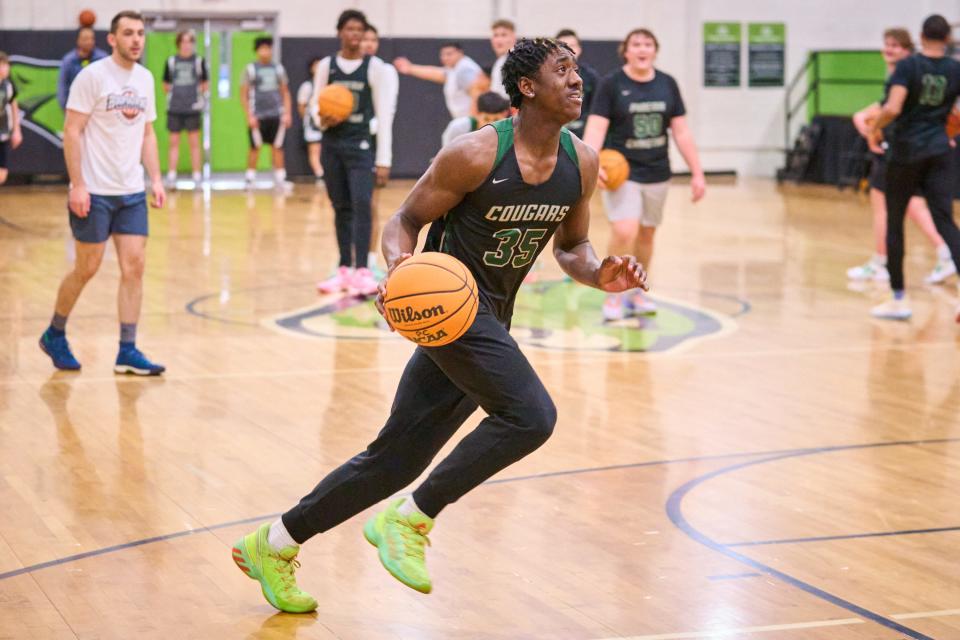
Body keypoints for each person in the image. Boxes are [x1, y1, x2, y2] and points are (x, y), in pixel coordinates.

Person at [232, 37, 647, 612]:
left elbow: (572, 245)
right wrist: (400, 268)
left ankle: (271, 544)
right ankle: (412, 520)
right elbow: (404, 219)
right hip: (450, 311)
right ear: (527, 88)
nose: (577, 80)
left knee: (394, 459)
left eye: (577, 70)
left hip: (485, 318)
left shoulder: (581, 161)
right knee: (532, 416)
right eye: (563, 70)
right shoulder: (474, 153)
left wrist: (602, 274)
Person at [38, 11, 167, 375]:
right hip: (94, 191)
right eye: (128, 33)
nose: (136, 40)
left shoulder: (145, 79)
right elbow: (73, 131)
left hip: (130, 192)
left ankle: (128, 349)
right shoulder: (91, 77)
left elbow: (147, 133)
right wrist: (78, 184)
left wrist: (155, 179)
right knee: (87, 268)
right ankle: (55, 333)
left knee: (135, 266)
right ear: (111, 39)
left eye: (140, 33)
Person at [584, 27, 705, 319]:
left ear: (655, 50)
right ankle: (612, 291)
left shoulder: (667, 84)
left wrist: (697, 172)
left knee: (647, 235)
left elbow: (682, 131)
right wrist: (592, 163)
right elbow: (596, 127)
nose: (641, 48)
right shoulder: (611, 84)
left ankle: (637, 289)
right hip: (623, 172)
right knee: (624, 230)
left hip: (658, 170)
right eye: (635, 44)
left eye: (647, 44)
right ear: (626, 51)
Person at [868, 14, 960, 322]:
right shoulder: (955, 69)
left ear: (921, 36)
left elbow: (893, 107)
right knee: (945, 220)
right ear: (947, 39)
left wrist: (874, 129)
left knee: (895, 221)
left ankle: (898, 299)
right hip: (939, 151)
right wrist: (946, 136)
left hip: (907, 152)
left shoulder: (910, 66)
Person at [849, 28, 954, 285]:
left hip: (903, 147)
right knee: (914, 205)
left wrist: (873, 126)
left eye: (896, 45)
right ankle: (944, 252)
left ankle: (884, 265)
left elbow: (893, 107)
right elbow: (887, 103)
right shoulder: (909, 71)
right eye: (887, 44)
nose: (889, 49)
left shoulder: (908, 71)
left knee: (885, 204)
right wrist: (863, 114)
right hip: (919, 148)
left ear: (909, 49)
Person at [311, 9, 396, 297]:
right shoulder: (327, 65)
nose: (355, 34)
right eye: (350, 29)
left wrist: (384, 160)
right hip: (332, 144)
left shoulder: (374, 68)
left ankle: (362, 269)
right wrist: (319, 118)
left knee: (362, 204)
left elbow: (384, 115)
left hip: (361, 146)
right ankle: (344, 268)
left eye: (360, 30)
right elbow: (314, 104)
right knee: (340, 207)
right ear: (340, 32)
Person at [360, 23, 400, 272]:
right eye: (365, 39)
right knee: (347, 206)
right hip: (348, 142)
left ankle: (368, 259)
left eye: (373, 40)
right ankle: (349, 261)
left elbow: (388, 110)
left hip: (373, 141)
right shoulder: (343, 69)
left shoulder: (385, 71)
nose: (368, 44)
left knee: (369, 204)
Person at [241, 36, 292, 191]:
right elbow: (243, 94)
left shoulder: (278, 69)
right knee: (255, 146)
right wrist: (249, 115)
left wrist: (287, 113)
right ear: (257, 51)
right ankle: (250, 179)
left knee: (277, 147)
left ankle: (280, 179)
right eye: (262, 48)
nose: (265, 51)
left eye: (268, 48)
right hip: (258, 115)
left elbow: (285, 92)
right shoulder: (250, 69)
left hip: (276, 114)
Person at [162, 29, 208, 189]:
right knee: (173, 143)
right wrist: (178, 95)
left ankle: (197, 177)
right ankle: (171, 177)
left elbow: (205, 84)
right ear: (179, 43)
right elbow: (165, 85)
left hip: (193, 108)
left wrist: (195, 97)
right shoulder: (171, 61)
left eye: (190, 41)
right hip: (174, 108)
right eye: (184, 41)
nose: (187, 45)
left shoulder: (199, 61)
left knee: (194, 143)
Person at [394, 42, 481, 119]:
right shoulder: (454, 69)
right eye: (443, 55)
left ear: (460, 53)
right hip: (463, 120)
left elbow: (477, 94)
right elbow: (437, 73)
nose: (445, 58)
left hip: (470, 121)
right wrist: (410, 68)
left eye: (449, 54)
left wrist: (472, 121)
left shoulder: (464, 70)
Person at [555, 28, 598, 140]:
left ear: (579, 49)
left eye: (572, 46)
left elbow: (597, 111)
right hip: (553, 135)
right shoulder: (545, 76)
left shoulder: (591, 77)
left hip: (583, 135)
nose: (568, 50)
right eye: (563, 46)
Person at [57, 27, 108, 111]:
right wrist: (65, 107)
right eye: (85, 39)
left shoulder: (102, 58)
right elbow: (63, 85)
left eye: (92, 38)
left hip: (98, 108)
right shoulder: (69, 61)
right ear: (78, 40)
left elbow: (108, 84)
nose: (89, 42)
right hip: (75, 107)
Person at [440, 90, 510, 147]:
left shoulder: (512, 132)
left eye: (496, 120)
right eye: (486, 119)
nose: (491, 125)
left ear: (505, 115)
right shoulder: (458, 128)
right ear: (477, 115)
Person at [470, 19, 517, 100]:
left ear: (513, 38)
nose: (499, 40)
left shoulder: (516, 60)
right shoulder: (501, 60)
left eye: (504, 35)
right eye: (496, 35)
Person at [296, 57, 324, 183]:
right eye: (315, 66)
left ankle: (329, 175)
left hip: (328, 122)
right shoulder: (307, 86)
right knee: (314, 150)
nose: (318, 68)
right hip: (312, 124)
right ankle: (320, 175)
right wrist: (307, 120)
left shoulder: (330, 85)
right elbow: (301, 105)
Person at [0, 51, 23, 186]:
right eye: (3, 65)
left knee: (2, 174)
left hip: (3, 134)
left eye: (7, 65)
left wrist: (16, 130)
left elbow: (14, 105)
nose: (6, 68)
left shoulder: (8, 86)